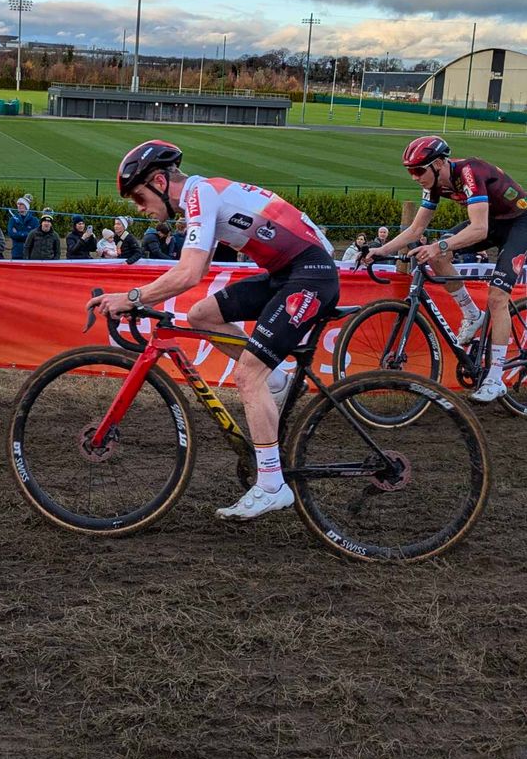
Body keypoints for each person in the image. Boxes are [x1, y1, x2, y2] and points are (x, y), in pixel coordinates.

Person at [90, 140, 339, 521]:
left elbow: (190, 273)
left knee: (247, 376)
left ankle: (272, 484)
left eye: (140, 196)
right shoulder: (203, 194)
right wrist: (138, 296)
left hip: (309, 274)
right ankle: (279, 380)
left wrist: (133, 296)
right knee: (201, 315)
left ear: (159, 181)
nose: (140, 207)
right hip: (290, 272)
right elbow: (196, 269)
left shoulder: (200, 194)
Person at [366, 135, 527, 403]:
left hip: (520, 223)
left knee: (498, 297)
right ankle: (471, 314)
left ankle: (496, 378)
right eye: (410, 171)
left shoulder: (469, 173)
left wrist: (438, 245)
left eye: (418, 170)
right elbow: (416, 229)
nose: (415, 177)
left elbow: (479, 229)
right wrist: (381, 251)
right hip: (493, 222)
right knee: (437, 256)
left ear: (439, 163)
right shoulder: (433, 185)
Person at [8, 194, 38, 260]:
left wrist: (18, 233)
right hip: (16, 253)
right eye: (18, 204)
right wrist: (28, 234)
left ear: (26, 206)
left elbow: (35, 235)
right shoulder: (12, 220)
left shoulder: (34, 220)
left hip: (31, 253)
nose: (19, 206)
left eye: (21, 204)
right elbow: (11, 234)